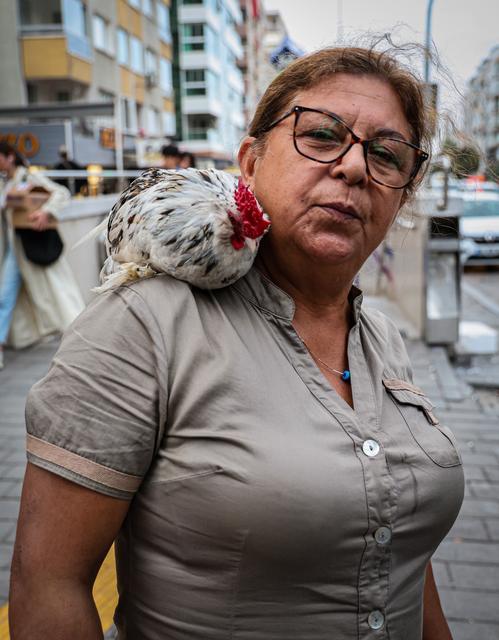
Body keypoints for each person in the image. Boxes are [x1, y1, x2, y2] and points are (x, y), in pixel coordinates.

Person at [10, 46, 464, 639]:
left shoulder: (381, 339)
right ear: (250, 162)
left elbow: (402, 552)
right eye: (322, 136)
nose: (355, 168)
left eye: (386, 154)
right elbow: (49, 586)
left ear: (402, 196)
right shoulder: (144, 323)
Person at [0, 141, 84, 369]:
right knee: (5, 297)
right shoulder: (6, 182)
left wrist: (45, 212)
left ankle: (78, 336)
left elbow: (61, 193)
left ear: (9, 157)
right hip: (15, 249)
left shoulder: (28, 177)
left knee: (56, 294)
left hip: (32, 246)